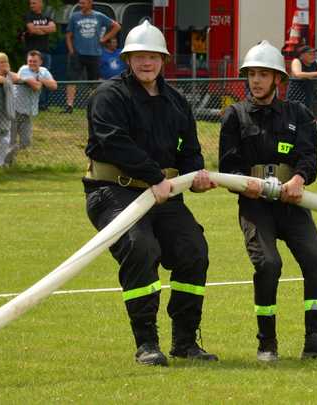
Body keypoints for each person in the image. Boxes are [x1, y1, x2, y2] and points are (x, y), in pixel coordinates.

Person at [84, 20, 218, 366]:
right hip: (114, 192)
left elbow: (189, 147)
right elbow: (113, 142)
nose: (147, 63)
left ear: (163, 60)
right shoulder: (108, 96)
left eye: (153, 57)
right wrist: (152, 175)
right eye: (139, 56)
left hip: (165, 194)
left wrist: (195, 174)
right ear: (128, 59)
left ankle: (186, 342)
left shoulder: (176, 101)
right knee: (140, 248)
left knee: (194, 251)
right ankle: (147, 343)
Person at [219, 40, 317, 363]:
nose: (257, 81)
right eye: (252, 74)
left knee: (315, 261)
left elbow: (309, 156)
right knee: (268, 265)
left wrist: (299, 180)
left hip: (292, 203)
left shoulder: (298, 114)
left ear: (279, 79)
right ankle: (267, 343)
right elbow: (227, 167)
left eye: (264, 74)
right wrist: (243, 185)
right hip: (255, 205)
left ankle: (315, 340)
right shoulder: (234, 116)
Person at [63, 0, 121, 113]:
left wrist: (104, 39)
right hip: (78, 54)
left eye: (83, 3)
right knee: (71, 79)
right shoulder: (75, 17)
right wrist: (71, 50)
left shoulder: (99, 16)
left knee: (93, 82)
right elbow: (68, 35)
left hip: (94, 54)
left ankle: (93, 105)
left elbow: (116, 26)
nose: (81, 5)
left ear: (90, 3)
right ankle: (69, 106)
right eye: (80, 3)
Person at [9, 50, 57, 163]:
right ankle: (7, 164)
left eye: (34, 61)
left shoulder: (44, 71)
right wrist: (40, 82)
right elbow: (36, 87)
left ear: (40, 62)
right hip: (15, 110)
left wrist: (41, 79)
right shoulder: (23, 69)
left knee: (26, 142)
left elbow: (54, 86)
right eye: (30, 61)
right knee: (11, 140)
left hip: (28, 112)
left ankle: (9, 159)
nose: (31, 63)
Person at [23, 0, 56, 110]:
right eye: (31, 3)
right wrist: (45, 30)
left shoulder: (46, 16)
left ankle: (44, 104)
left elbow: (53, 28)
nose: (31, 5)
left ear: (41, 4)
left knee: (45, 77)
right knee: (32, 77)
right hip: (32, 53)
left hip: (45, 52)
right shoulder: (28, 16)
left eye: (34, 3)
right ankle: (33, 103)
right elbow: (31, 29)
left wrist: (39, 29)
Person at [0, 52, 19, 168]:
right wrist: (7, 77)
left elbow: (18, 78)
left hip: (6, 111)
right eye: (1, 62)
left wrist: (8, 72)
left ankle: (0, 164)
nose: (4, 64)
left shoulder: (8, 75)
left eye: (6, 61)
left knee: (4, 138)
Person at [286, 45, 317, 110]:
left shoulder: (315, 62)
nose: (313, 56)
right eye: (310, 54)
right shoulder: (297, 61)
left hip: (308, 95)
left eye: (314, 54)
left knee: (307, 114)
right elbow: (298, 74)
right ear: (302, 55)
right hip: (295, 95)